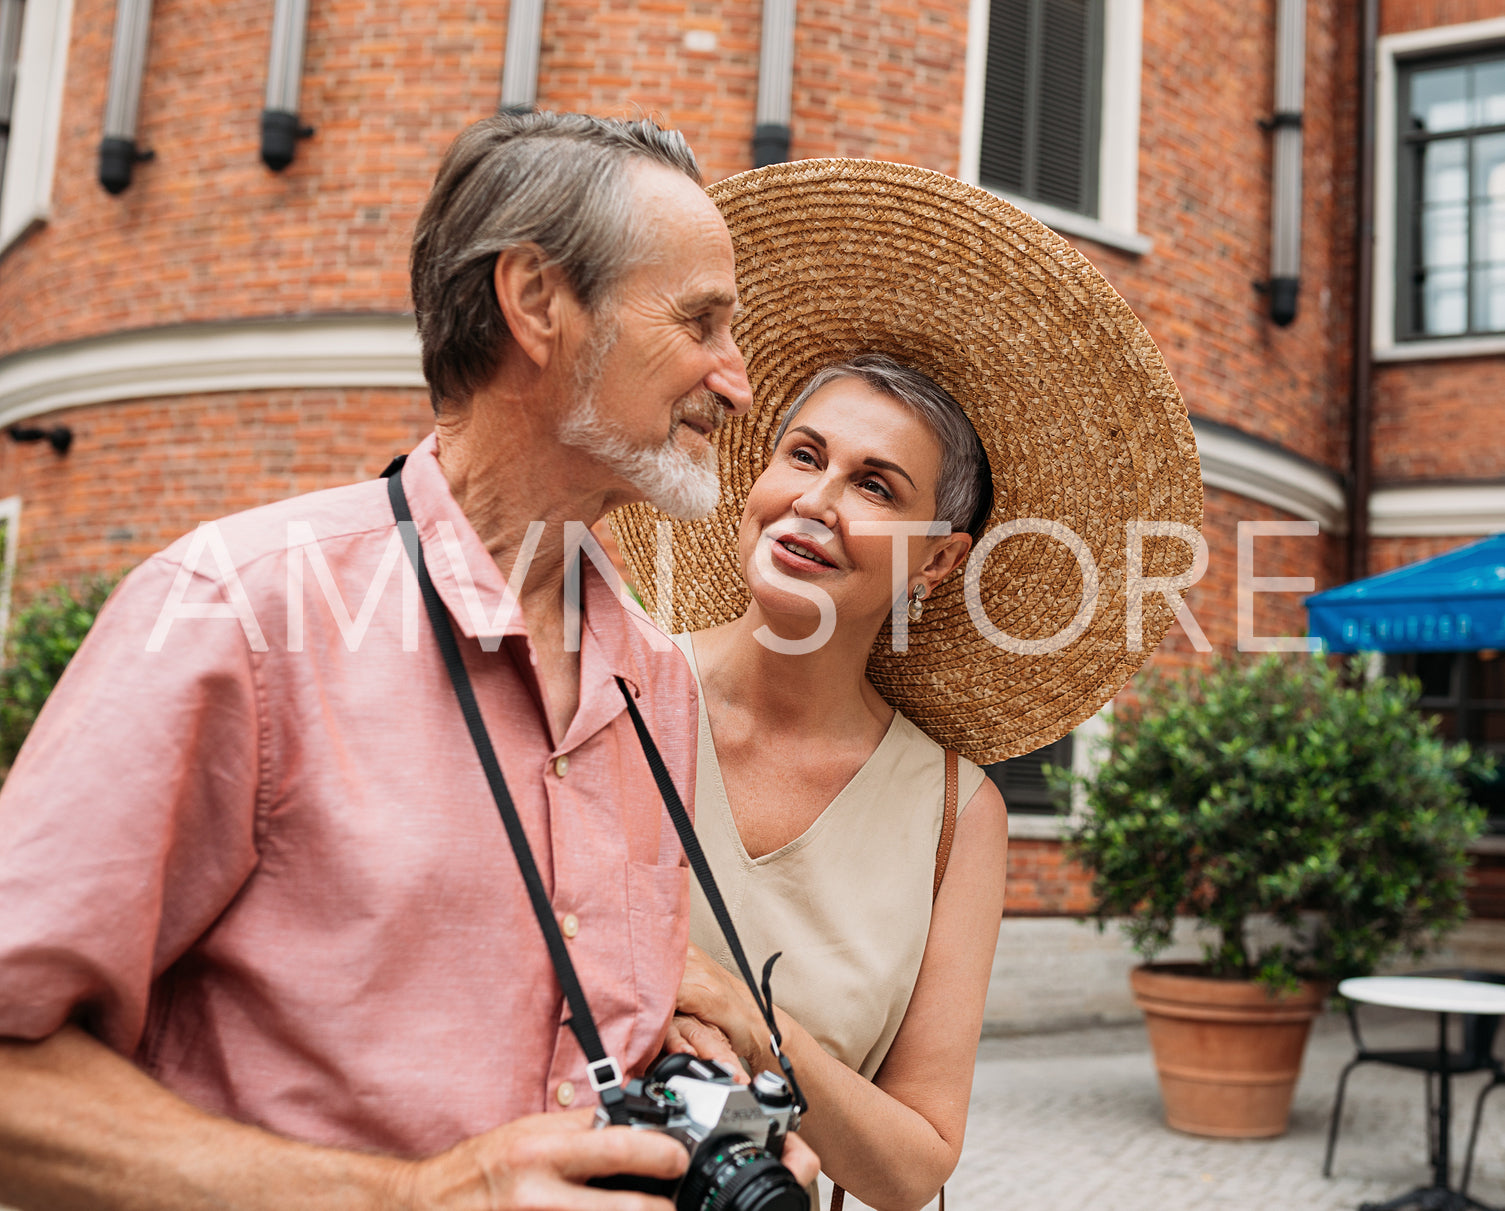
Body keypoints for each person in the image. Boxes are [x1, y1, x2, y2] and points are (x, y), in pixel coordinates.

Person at [0, 111, 819, 1210]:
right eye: (701, 322)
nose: (737, 381)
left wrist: (702, 1105)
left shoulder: (653, 678)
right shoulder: (233, 613)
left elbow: (584, 1025)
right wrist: (416, 1195)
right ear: (535, 301)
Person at [610, 159, 1203, 1210]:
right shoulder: (610, 691)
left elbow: (915, 1160)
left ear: (937, 561)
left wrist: (757, 1029)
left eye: (875, 485)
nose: (816, 500)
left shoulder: (950, 809)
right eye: (803, 455)